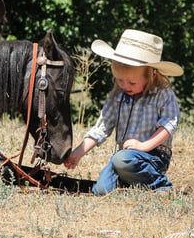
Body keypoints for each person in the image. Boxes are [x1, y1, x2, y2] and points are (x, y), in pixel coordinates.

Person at [65, 29, 184, 195]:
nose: (125, 86)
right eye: (120, 80)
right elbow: (102, 127)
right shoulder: (117, 96)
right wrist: (78, 152)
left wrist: (144, 146)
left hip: (153, 156)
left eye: (132, 82)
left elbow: (169, 125)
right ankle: (134, 185)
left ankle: (161, 186)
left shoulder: (162, 94)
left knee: (122, 159)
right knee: (101, 190)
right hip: (124, 158)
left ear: (151, 75)